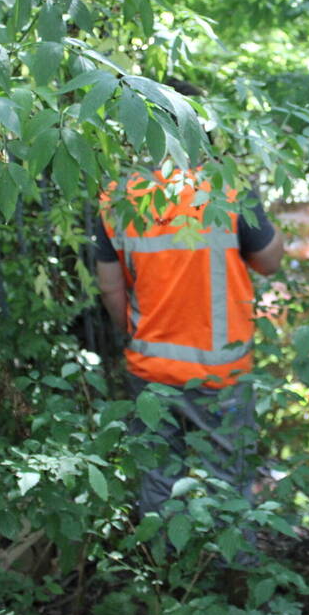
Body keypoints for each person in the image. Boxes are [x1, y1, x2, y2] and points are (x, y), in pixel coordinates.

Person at [95, 166, 284, 516]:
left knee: (158, 476)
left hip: (149, 367)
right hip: (219, 372)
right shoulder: (227, 185)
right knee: (229, 479)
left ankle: (163, 564)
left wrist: (133, 333)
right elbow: (270, 261)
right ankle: (232, 567)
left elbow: (110, 287)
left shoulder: (117, 196)